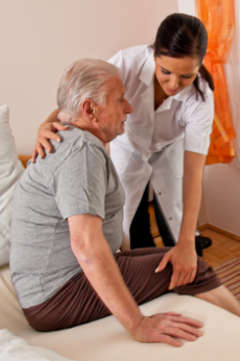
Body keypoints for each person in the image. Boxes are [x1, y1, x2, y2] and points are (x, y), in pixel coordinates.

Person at [10, 59, 240, 346]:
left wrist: (46, 122)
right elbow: (86, 247)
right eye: (120, 100)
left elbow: (72, 99)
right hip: (56, 296)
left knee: (178, 256)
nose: (129, 108)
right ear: (90, 109)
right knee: (191, 269)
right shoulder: (80, 152)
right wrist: (138, 324)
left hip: (50, 288)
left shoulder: (71, 135)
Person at [33, 13, 213, 289]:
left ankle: (188, 268)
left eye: (186, 76)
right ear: (153, 54)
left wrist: (188, 242)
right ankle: (146, 283)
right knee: (129, 219)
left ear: (199, 66)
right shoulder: (126, 63)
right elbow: (83, 96)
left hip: (170, 147)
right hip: (128, 145)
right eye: (166, 71)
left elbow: (193, 175)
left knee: (178, 225)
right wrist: (46, 125)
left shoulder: (201, 97)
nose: (174, 85)